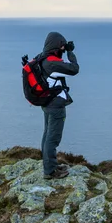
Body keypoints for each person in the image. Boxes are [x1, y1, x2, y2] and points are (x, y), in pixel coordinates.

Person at [40, 31, 79, 179]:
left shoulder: (42, 58)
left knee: (47, 135)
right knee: (53, 138)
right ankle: (50, 171)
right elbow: (74, 69)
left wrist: (63, 49)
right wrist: (70, 53)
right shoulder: (53, 64)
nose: (63, 49)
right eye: (62, 46)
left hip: (46, 102)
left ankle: (49, 165)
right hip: (56, 106)